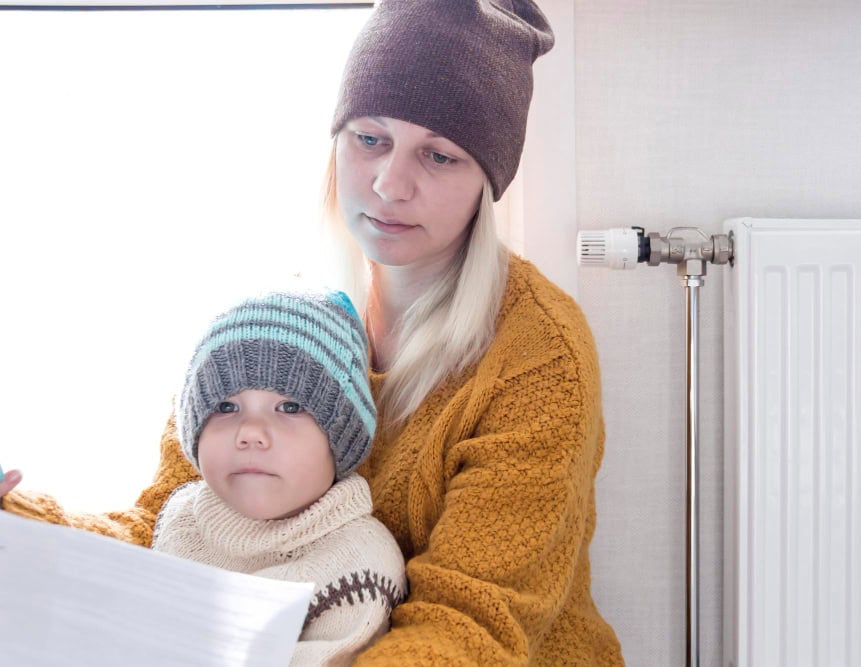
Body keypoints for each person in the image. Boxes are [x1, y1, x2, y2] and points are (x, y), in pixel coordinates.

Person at [2, 0, 626, 663]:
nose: (390, 183)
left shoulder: (538, 354)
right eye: (370, 138)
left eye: (439, 156)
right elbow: (170, 525)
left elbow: (472, 624)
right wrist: (20, 522)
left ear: (487, 181)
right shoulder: (274, 324)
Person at [152, 290, 407, 666]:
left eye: (289, 407)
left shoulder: (359, 564)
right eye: (226, 407)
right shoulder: (180, 519)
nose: (250, 431)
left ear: (340, 437)